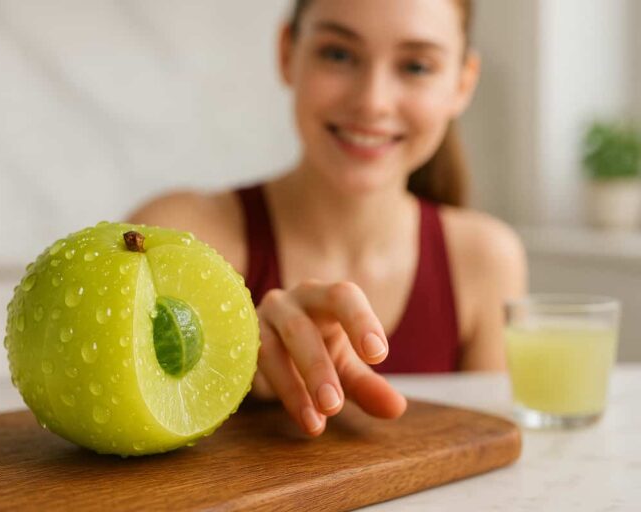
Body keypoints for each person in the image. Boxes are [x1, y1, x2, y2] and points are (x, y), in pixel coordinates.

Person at [127, 0, 527, 437]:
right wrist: (230, 358)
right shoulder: (179, 234)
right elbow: (119, 421)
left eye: (415, 66)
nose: (373, 102)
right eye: (338, 54)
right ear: (287, 53)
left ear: (463, 83)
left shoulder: (487, 260)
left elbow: (484, 462)